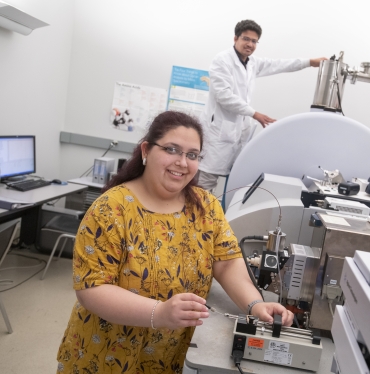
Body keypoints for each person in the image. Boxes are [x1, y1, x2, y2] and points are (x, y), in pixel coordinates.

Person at [56, 111, 293, 374]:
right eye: (172, 149)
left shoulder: (205, 207)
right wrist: (159, 313)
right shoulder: (111, 209)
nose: (182, 162)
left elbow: (226, 263)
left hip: (165, 357)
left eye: (192, 155)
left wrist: (255, 303)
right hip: (106, 355)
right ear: (146, 150)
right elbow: (92, 289)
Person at [197, 19, 327, 191]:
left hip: (237, 133)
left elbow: (279, 65)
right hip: (217, 134)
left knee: (233, 181)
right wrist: (254, 113)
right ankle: (197, 217)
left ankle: (215, 216)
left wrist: (309, 62)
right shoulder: (222, 60)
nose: (250, 44)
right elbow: (224, 96)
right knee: (204, 185)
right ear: (235, 38)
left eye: (254, 41)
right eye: (246, 39)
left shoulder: (252, 63)